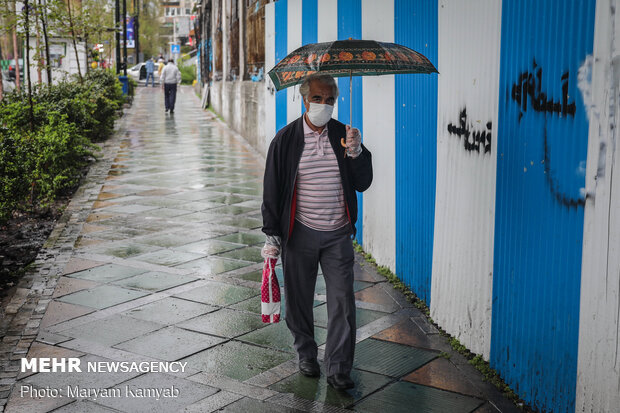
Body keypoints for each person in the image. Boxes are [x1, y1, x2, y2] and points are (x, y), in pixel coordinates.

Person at [261, 73, 373, 390]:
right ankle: (306, 353)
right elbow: (272, 190)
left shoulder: (345, 135)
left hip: (338, 234)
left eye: (330, 100)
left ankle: (338, 368)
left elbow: (363, 182)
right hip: (300, 233)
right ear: (304, 99)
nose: (324, 105)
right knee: (299, 301)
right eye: (318, 99)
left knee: (343, 303)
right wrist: (272, 234)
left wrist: (356, 153)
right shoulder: (285, 141)